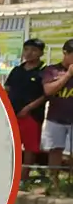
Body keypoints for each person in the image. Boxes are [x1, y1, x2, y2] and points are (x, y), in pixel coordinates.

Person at [4, 38, 46, 182]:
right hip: (13, 114)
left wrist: (28, 108)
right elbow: (7, 89)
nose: (29, 53)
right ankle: (9, 175)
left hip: (32, 116)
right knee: (11, 145)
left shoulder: (44, 71)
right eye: (27, 49)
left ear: (40, 53)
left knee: (30, 148)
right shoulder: (17, 70)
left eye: (34, 50)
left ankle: (24, 179)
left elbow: (45, 95)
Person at [41, 39, 73, 183]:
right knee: (55, 151)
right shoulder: (52, 70)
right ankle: (53, 182)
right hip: (56, 118)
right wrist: (68, 75)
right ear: (65, 53)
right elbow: (48, 90)